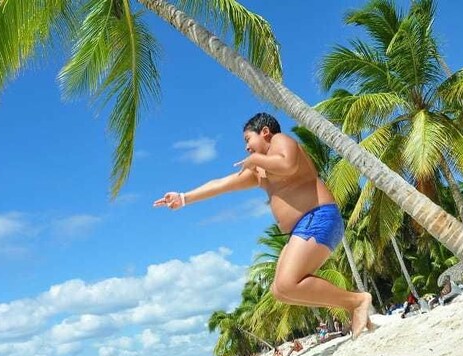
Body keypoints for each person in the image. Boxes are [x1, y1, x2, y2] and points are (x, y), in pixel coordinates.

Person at [155, 112, 373, 338]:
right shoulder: (260, 173)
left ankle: (357, 301)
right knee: (280, 290)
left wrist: (256, 160)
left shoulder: (281, 140)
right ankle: (353, 303)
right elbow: (223, 184)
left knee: (288, 283)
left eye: (248, 140)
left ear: (265, 133)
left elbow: (287, 165)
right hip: (303, 226)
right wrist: (183, 197)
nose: (247, 148)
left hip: (319, 216)